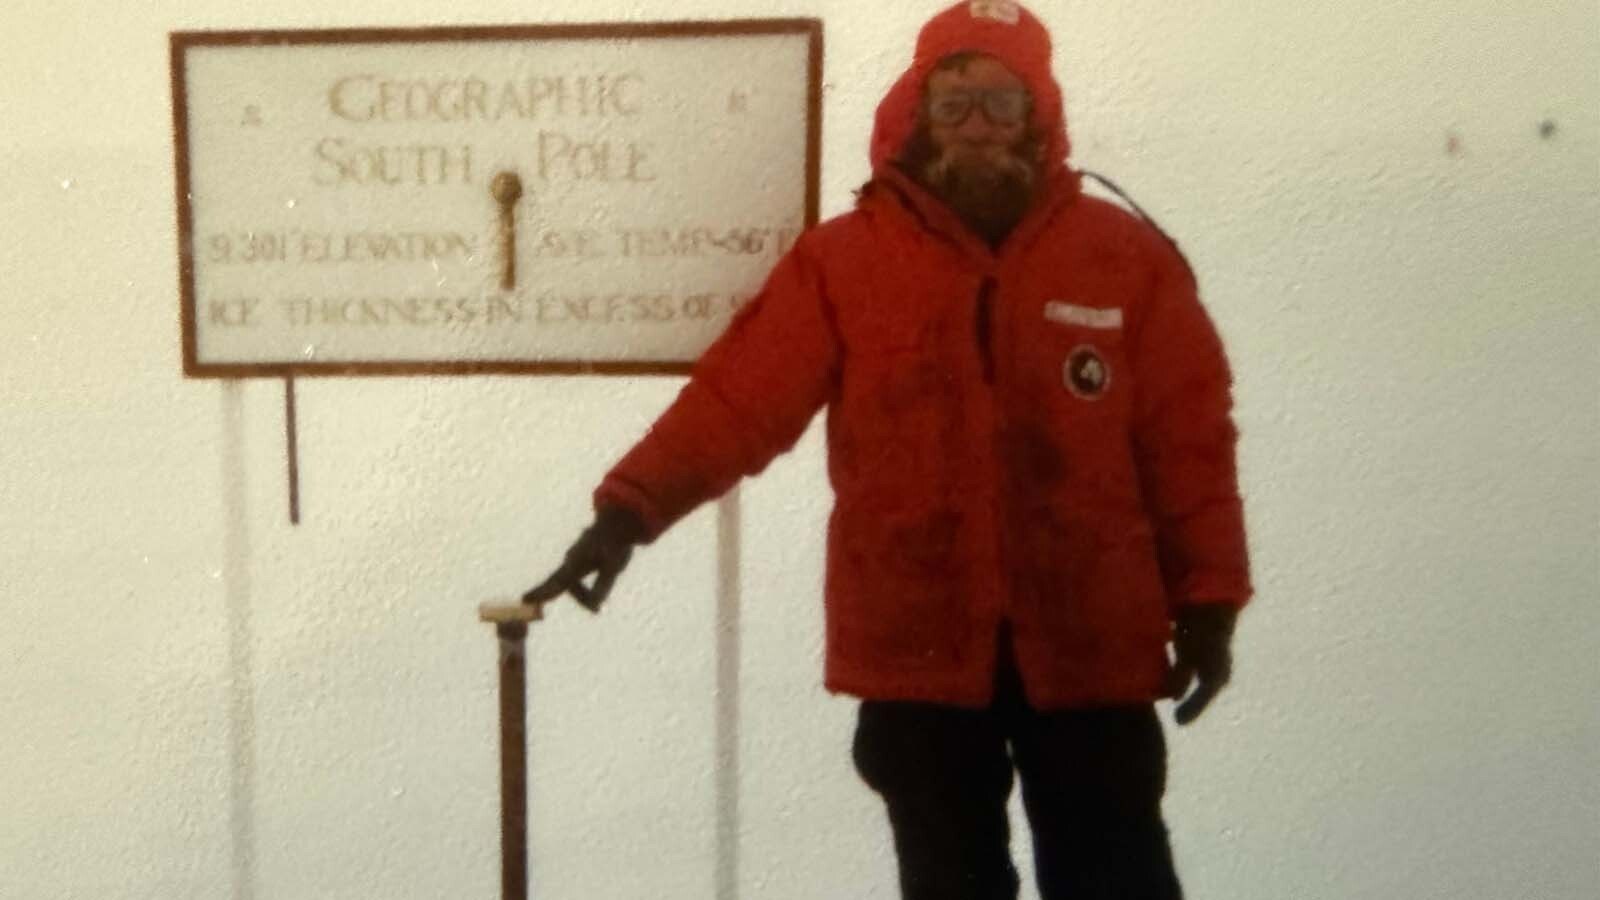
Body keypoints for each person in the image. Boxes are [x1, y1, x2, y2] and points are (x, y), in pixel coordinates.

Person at [525, 2, 1252, 897]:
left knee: (1117, 877)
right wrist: (628, 511)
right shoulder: (848, 262)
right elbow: (739, 400)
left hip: (1092, 648)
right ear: (915, 115)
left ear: (1041, 117)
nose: (977, 127)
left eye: (1000, 102)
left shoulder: (1126, 259)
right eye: (954, 105)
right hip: (919, 654)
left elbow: (1190, 443)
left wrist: (1208, 601)